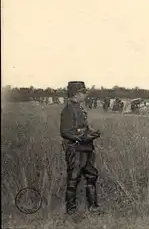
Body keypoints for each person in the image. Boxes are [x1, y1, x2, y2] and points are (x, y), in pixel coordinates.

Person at [60, 81, 102, 215]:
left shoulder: (79, 108)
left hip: (86, 147)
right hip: (75, 148)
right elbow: (65, 132)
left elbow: (83, 127)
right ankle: (71, 212)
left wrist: (92, 132)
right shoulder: (68, 109)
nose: (85, 95)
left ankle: (94, 208)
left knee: (92, 176)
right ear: (76, 94)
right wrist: (82, 137)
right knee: (74, 178)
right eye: (83, 92)